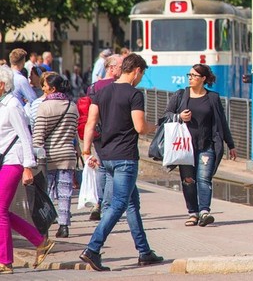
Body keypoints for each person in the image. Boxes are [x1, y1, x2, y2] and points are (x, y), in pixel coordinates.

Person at [80, 53, 163, 271]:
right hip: (125, 158)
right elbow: (140, 127)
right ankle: (92, 248)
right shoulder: (134, 94)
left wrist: (86, 151)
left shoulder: (101, 91)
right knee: (118, 205)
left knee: (132, 204)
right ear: (136, 70)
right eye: (141, 75)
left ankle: (144, 252)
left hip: (106, 156)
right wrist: (156, 127)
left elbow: (90, 123)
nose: (140, 79)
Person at [165, 64, 237, 228]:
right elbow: (166, 115)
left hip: (206, 146)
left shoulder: (212, 98)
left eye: (194, 76)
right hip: (184, 148)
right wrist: (179, 116)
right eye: (189, 75)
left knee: (204, 179)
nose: (190, 78)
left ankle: (204, 212)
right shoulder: (181, 95)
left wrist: (230, 144)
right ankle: (193, 213)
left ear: (203, 78)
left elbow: (222, 122)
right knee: (188, 180)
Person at [0, 65, 55, 273]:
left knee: (0, 210)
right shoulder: (2, 105)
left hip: (14, 161)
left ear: (2, 85)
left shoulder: (13, 105)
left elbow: (25, 137)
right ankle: (40, 241)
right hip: (4, 160)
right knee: (2, 210)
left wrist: (28, 167)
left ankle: (5, 261)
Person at [32, 73, 79, 239]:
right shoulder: (72, 106)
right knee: (65, 192)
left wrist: (36, 155)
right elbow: (74, 132)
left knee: (48, 191)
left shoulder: (44, 107)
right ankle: (64, 225)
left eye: (45, 86)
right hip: (67, 154)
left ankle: (47, 223)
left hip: (49, 155)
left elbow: (38, 135)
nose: (43, 89)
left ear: (52, 89)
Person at [78, 53, 124, 221]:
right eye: (121, 67)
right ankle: (106, 207)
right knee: (110, 171)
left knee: (101, 168)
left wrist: (86, 147)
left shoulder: (93, 87)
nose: (123, 70)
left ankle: (97, 203)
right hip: (114, 132)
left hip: (97, 132)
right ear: (111, 68)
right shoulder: (119, 86)